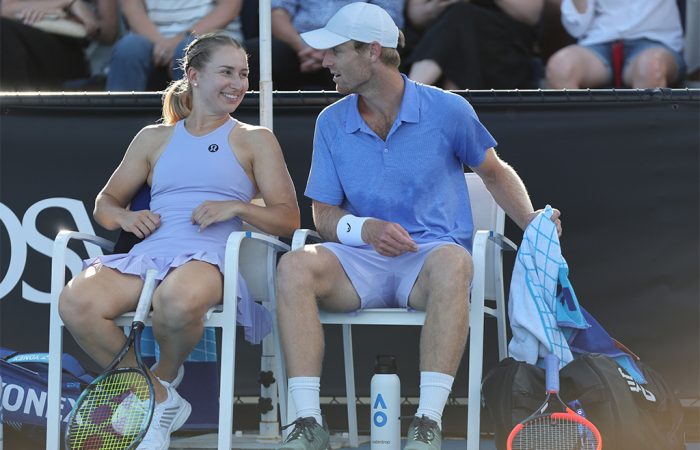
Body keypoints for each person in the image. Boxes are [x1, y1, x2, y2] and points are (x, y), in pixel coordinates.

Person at [274, 3, 562, 449]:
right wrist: (366, 229)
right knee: (294, 264)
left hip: (427, 264)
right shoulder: (331, 121)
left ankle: (427, 423)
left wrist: (532, 221)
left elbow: (494, 171)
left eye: (335, 51)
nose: (325, 61)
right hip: (358, 264)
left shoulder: (448, 110)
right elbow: (323, 215)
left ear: (372, 52)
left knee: (453, 260)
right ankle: (308, 424)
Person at [59, 32, 300, 449]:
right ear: (193, 75)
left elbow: (288, 218)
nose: (238, 83)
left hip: (211, 256)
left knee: (175, 300)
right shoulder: (154, 137)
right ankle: (157, 393)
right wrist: (126, 217)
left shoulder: (255, 138)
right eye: (226, 72)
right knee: (76, 301)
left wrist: (236, 209)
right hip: (151, 252)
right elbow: (106, 201)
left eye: (243, 74)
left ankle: (164, 378)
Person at [246, 0, 404, 91]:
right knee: (251, 54)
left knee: (355, 60)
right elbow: (275, 13)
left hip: (352, 40)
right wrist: (302, 47)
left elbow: (387, 19)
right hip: (298, 42)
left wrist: (335, 47)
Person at [405, 0, 544, 90]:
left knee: (462, 17)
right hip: (441, 32)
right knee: (457, 18)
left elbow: (531, 15)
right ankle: (413, 97)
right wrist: (434, 7)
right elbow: (416, 16)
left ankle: (410, 96)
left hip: (503, 46)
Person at [106, 0, 243, 91]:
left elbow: (229, 8)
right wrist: (162, 44)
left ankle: (196, 130)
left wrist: (179, 41)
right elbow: (132, 9)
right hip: (152, 37)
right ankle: (118, 131)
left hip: (208, 33)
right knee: (128, 49)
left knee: (189, 52)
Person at [545, 0, 686, 88]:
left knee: (650, 67)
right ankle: (581, 134)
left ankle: (641, 135)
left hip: (655, 41)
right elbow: (576, 27)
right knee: (560, 68)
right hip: (598, 43)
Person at [0, 0, 119, 90]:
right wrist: (70, 3)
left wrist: (71, 17)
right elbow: (5, 9)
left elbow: (109, 32)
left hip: (72, 50)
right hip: (24, 43)